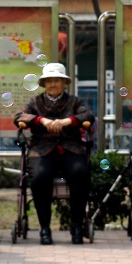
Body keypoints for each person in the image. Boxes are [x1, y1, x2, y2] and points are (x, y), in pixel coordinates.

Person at [14, 62, 95, 245]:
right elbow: (19, 117)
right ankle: (44, 228)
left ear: (64, 83)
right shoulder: (35, 102)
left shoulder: (74, 101)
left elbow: (88, 116)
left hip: (70, 148)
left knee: (80, 174)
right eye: (49, 81)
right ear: (44, 84)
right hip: (42, 149)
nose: (52, 84)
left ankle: (76, 226)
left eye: (57, 80)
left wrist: (67, 121)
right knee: (39, 177)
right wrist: (42, 121)